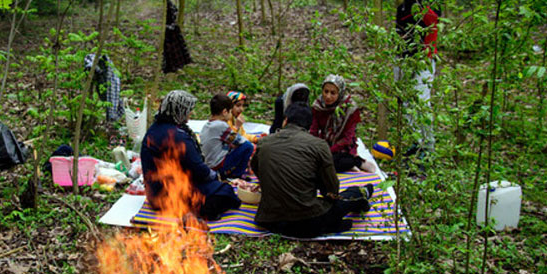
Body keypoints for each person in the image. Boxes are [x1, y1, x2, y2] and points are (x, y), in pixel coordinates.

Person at [251, 103, 373, 238]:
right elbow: (332, 190)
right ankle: (364, 193)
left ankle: (335, 221)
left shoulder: (264, 142)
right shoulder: (319, 145)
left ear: (285, 120)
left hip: (269, 222)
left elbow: (257, 169)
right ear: (309, 126)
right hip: (309, 221)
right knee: (351, 194)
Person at [141, 90, 240, 221]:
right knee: (225, 191)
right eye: (188, 110)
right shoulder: (177, 136)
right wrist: (216, 177)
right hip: (169, 197)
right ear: (180, 111)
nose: (191, 113)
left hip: (153, 194)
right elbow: (198, 169)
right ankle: (194, 212)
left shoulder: (154, 129)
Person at [393, 0, 442, 156]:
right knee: (406, 103)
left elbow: (433, 22)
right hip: (405, 59)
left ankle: (428, 148)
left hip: (424, 59)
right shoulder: (402, 8)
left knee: (422, 101)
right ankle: (417, 142)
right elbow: (399, 32)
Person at [310, 75, 376, 173]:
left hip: (342, 149)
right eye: (326, 91)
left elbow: (347, 139)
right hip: (324, 144)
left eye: (333, 93)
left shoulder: (349, 109)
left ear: (340, 93)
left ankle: (356, 162)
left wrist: (328, 152)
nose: (328, 96)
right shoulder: (318, 106)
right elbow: (313, 131)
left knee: (329, 163)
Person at [201, 93, 255, 179]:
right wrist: (237, 127)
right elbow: (240, 141)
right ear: (225, 112)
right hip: (217, 165)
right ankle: (237, 174)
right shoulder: (222, 125)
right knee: (248, 146)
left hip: (208, 163)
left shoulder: (207, 125)